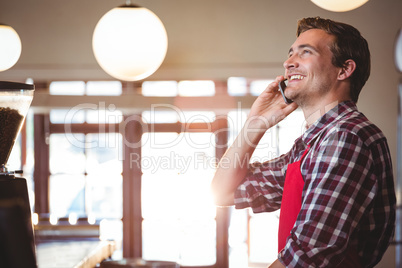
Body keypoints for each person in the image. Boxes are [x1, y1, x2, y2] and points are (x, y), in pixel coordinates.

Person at [211, 17, 396, 267]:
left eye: (305, 52)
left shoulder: (345, 137)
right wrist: (254, 125)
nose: (288, 63)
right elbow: (223, 191)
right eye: (290, 54)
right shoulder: (311, 145)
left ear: (344, 69)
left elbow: (306, 255)